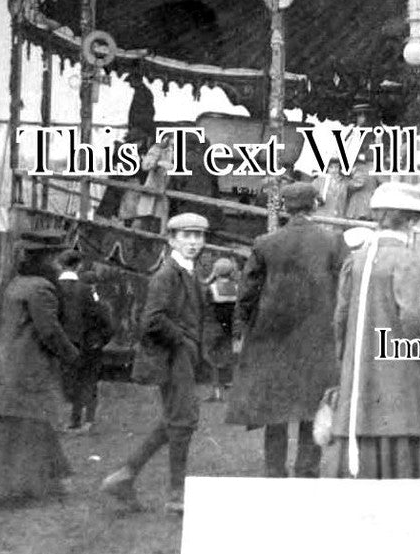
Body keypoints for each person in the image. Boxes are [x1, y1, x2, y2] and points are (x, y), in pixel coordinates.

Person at [226, 182, 347, 478]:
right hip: (317, 337)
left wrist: (241, 328)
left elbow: (247, 293)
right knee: (311, 405)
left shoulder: (265, 243)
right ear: (315, 205)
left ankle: (274, 471)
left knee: (274, 409)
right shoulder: (333, 242)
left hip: (273, 338)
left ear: (284, 208)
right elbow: (346, 290)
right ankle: (307, 469)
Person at [0, 230, 80, 505]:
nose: (58, 264)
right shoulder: (42, 288)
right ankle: (25, 488)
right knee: (30, 425)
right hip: (28, 367)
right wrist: (72, 355)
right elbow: (49, 331)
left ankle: (6, 486)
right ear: (47, 259)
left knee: (6, 427)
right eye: (55, 258)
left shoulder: (15, 284)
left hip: (4, 366)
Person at [101, 212, 210, 514]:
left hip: (182, 356)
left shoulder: (188, 271)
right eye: (186, 236)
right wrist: (184, 342)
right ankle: (177, 495)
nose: (193, 242)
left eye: (198, 236)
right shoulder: (167, 274)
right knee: (182, 421)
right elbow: (152, 320)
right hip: (174, 357)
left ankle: (125, 475)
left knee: (175, 420)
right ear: (171, 239)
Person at [329, 181, 420, 479]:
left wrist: (344, 353)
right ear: (411, 221)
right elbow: (411, 317)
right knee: (394, 420)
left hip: (359, 360)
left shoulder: (358, 258)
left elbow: (340, 314)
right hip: (395, 364)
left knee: (360, 419)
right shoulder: (406, 259)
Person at [57, 249, 115, 432]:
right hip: (89, 344)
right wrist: (100, 340)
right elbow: (103, 320)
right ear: (79, 266)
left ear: (60, 265)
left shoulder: (52, 288)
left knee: (71, 382)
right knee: (89, 381)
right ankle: (88, 421)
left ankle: (73, 420)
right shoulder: (86, 291)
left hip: (62, 344)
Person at [202, 257, 240, 403]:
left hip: (213, 327)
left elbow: (205, 308)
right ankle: (231, 392)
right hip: (229, 327)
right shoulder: (236, 288)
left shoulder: (211, 288)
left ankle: (216, 392)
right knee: (227, 359)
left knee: (212, 359)